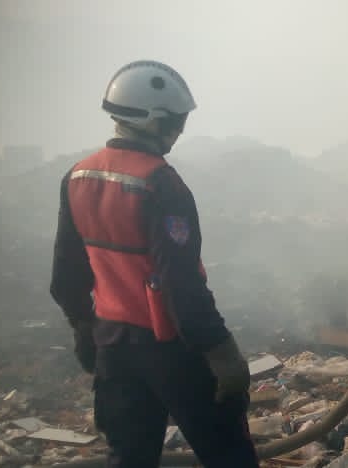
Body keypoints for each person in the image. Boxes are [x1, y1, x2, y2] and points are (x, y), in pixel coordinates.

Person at [49, 60, 258, 467]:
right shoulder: (161, 184)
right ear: (154, 120)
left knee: (130, 457)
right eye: (176, 122)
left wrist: (83, 327)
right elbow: (181, 284)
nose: (179, 131)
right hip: (170, 348)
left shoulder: (77, 176)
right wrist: (221, 352)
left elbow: (66, 275)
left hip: (113, 346)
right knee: (229, 455)